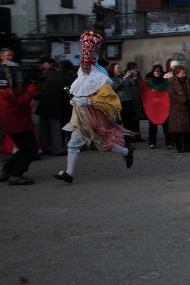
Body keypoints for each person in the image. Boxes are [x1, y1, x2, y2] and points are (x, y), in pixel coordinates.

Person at [54, 31, 134, 184]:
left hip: (96, 116)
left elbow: (108, 98)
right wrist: (76, 100)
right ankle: (69, 173)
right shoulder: (81, 76)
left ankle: (125, 151)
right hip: (81, 116)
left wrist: (89, 102)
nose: (84, 67)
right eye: (82, 64)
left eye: (87, 64)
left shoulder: (100, 75)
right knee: (77, 143)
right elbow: (80, 90)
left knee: (100, 143)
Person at [0, 61, 38, 185]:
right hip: (17, 122)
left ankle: (6, 171)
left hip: (12, 122)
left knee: (24, 148)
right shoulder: (10, 90)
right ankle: (16, 175)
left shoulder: (5, 88)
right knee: (31, 149)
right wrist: (32, 87)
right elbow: (22, 101)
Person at [35, 60, 74, 156]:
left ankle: (43, 148)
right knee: (55, 128)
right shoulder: (66, 78)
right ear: (69, 70)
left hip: (43, 104)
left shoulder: (48, 74)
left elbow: (39, 87)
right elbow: (67, 92)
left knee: (43, 128)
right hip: (55, 106)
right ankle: (57, 149)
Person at [142, 65, 172, 149]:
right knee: (152, 126)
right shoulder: (148, 83)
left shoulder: (166, 82)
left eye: (159, 71)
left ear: (161, 72)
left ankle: (169, 143)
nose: (157, 72)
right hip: (153, 108)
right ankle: (152, 143)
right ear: (153, 72)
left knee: (166, 126)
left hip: (164, 107)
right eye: (155, 71)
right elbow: (145, 94)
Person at [167, 65, 190, 153]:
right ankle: (179, 148)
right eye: (182, 73)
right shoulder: (172, 83)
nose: (184, 75)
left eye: (184, 73)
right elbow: (172, 95)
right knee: (178, 130)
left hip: (187, 108)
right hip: (177, 109)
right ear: (177, 74)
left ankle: (187, 147)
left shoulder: (188, 81)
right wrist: (183, 100)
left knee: (187, 130)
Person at [109, 63, 136, 145]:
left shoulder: (125, 76)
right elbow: (114, 87)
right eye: (117, 68)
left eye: (120, 67)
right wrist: (125, 78)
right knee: (119, 123)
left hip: (128, 101)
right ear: (113, 69)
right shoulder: (112, 79)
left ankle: (128, 142)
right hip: (119, 103)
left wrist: (134, 77)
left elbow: (133, 84)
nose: (120, 69)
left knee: (128, 123)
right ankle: (117, 141)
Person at [126, 62, 144, 143]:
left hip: (138, 100)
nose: (135, 70)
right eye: (134, 68)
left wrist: (136, 78)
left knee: (137, 120)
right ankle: (131, 137)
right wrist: (132, 78)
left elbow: (141, 84)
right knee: (130, 121)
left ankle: (137, 136)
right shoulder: (127, 76)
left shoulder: (138, 75)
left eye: (136, 68)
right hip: (131, 100)